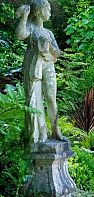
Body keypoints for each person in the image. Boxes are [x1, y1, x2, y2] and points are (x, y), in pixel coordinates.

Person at [16, 0, 65, 143]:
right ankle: (41, 132)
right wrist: (24, 16)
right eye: (48, 10)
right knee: (35, 99)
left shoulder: (48, 32)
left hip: (48, 64)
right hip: (33, 65)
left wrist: (49, 47)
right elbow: (19, 35)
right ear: (40, 12)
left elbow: (58, 53)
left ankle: (56, 130)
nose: (49, 13)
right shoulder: (30, 28)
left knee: (51, 98)